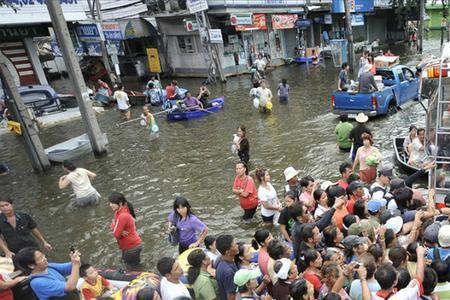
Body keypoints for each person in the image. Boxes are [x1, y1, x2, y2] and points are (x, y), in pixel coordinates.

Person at [15, 246, 81, 300]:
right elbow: (70, 287)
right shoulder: (38, 282)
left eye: (43, 255)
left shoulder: (48, 266)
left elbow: (69, 267)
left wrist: (75, 258)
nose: (45, 259)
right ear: (31, 265)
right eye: (40, 258)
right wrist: (75, 264)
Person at [109, 192, 142, 266]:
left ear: (120, 203)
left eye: (112, 203)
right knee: (127, 264)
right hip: (129, 246)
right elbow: (112, 226)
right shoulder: (118, 212)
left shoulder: (122, 215)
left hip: (132, 247)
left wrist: (117, 229)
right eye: (110, 202)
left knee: (133, 268)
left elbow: (116, 234)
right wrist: (117, 228)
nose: (110, 205)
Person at [215, 234, 239, 300]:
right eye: (235, 246)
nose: (237, 246)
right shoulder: (228, 272)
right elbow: (231, 296)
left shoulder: (219, 258)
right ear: (227, 252)